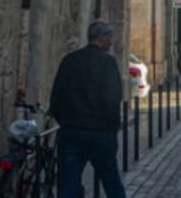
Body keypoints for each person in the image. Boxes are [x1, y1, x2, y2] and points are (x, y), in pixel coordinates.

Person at [50, 20, 126, 198]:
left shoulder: (69, 60)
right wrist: (112, 129)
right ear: (101, 37)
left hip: (71, 132)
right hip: (100, 133)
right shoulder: (107, 63)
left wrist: (66, 122)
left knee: (68, 184)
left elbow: (56, 98)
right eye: (109, 37)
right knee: (111, 182)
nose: (111, 41)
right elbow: (111, 100)